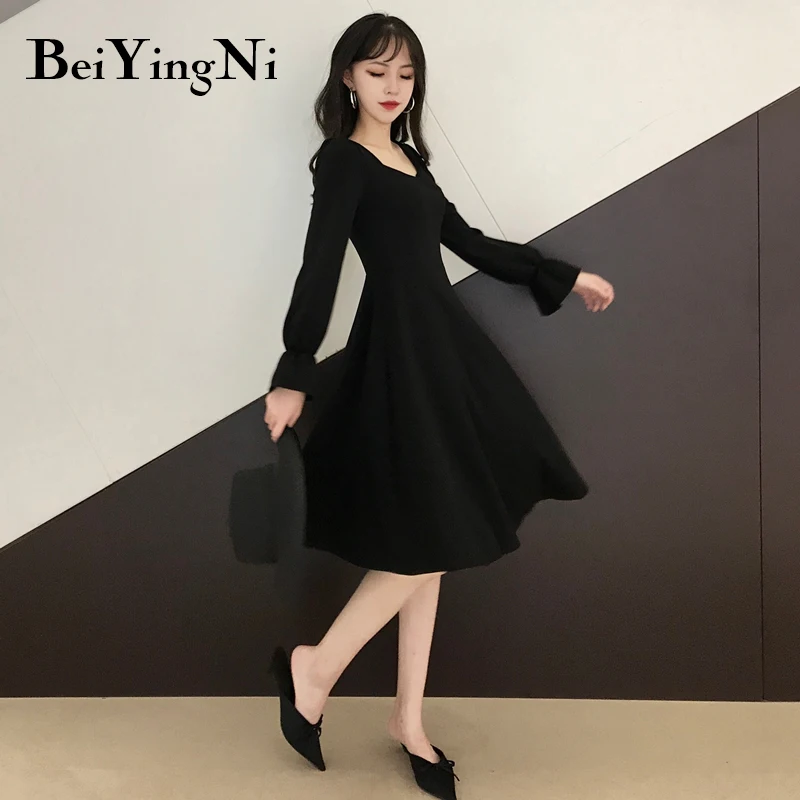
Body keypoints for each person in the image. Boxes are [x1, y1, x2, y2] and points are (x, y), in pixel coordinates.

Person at [263, 13, 615, 799]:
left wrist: (557, 275)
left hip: (441, 347)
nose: (393, 87)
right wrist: (293, 369)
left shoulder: (411, 160)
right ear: (347, 76)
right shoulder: (344, 159)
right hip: (398, 351)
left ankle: (407, 718)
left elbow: (468, 241)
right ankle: (314, 669)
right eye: (376, 72)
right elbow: (320, 266)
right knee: (430, 536)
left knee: (437, 532)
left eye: (406, 74)